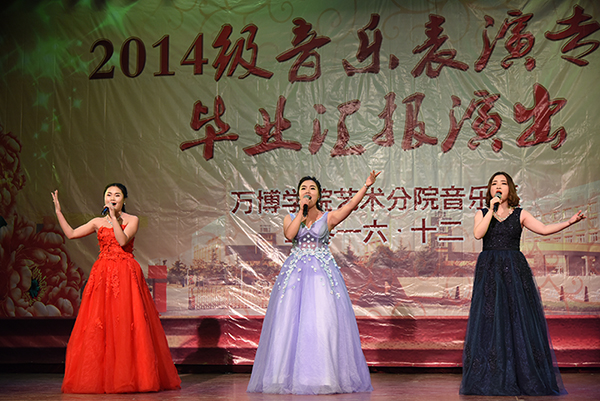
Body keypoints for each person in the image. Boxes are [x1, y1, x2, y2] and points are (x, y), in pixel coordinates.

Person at [247, 171, 380, 395]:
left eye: (312, 188)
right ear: (298, 195)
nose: (307, 191)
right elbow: (290, 236)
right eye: (303, 189)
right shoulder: (290, 217)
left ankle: (323, 376)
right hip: (295, 277)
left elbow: (350, 207)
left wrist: (366, 186)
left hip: (321, 277)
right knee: (289, 323)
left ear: (319, 195)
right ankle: (283, 377)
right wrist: (302, 212)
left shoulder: (328, 218)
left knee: (322, 322)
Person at [460, 172, 585, 396]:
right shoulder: (482, 213)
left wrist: (569, 222)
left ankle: (521, 374)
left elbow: (544, 229)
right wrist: (491, 209)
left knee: (516, 318)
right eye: (494, 183)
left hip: (513, 270)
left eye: (503, 183)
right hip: (489, 270)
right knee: (491, 319)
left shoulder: (520, 214)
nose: (498, 186)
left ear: (510, 188)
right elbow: (478, 234)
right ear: (490, 189)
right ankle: (492, 375)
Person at [52, 183, 181, 394]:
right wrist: (58, 211)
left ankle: (131, 377)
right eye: (109, 194)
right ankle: (103, 377)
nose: (112, 198)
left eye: (117, 195)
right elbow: (72, 234)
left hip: (125, 273)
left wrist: (113, 218)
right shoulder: (97, 222)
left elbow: (121, 241)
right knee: (100, 322)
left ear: (124, 199)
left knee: (126, 322)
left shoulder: (132, 219)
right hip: (102, 273)